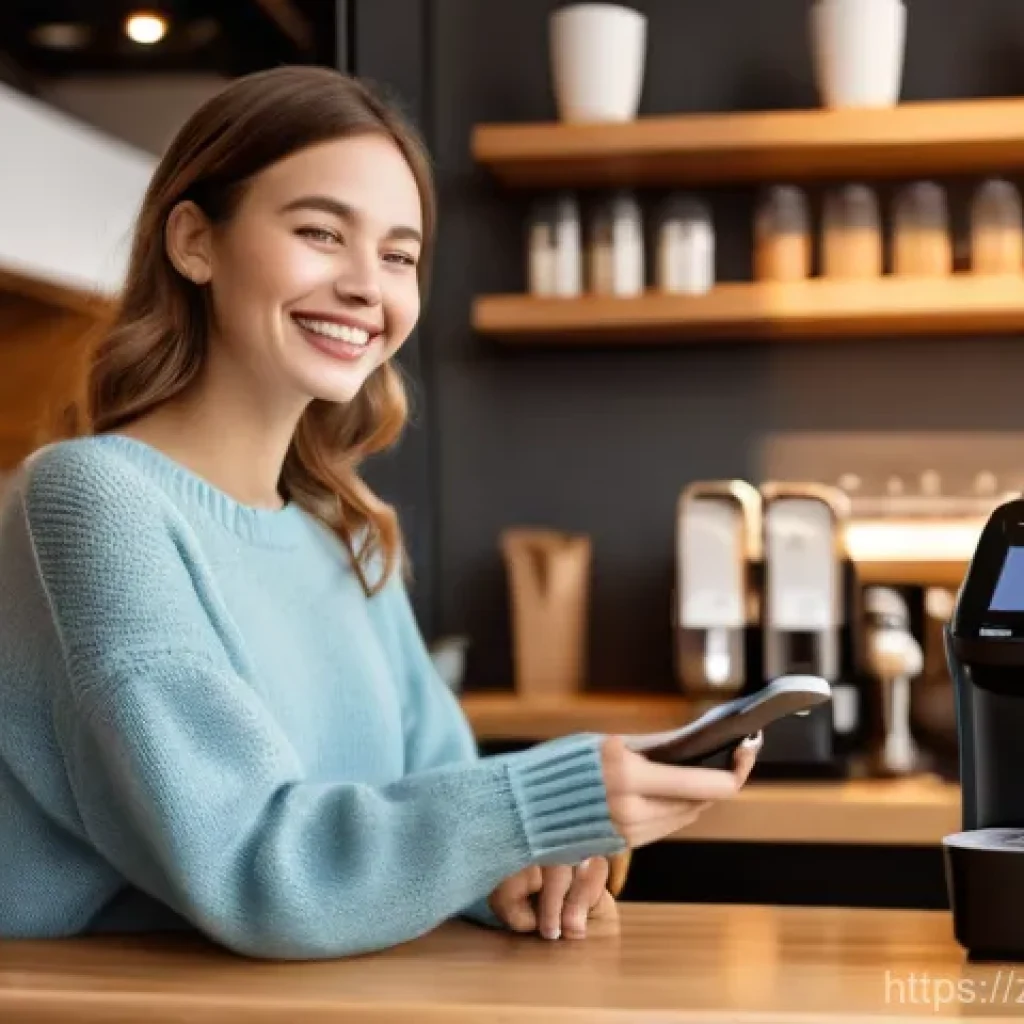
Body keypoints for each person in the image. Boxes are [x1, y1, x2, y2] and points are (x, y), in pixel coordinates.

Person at [0, 66, 760, 961]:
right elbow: (256, 869)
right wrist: (540, 805)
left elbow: (433, 793)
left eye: (399, 256)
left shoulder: (345, 535)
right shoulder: (92, 500)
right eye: (321, 233)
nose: (368, 286)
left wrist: (518, 866)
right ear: (195, 241)